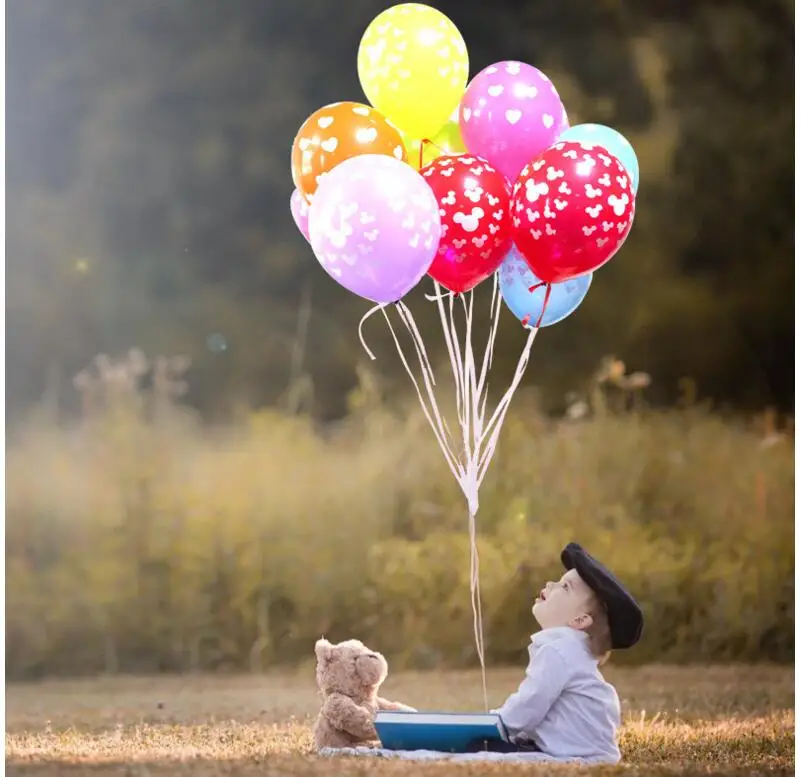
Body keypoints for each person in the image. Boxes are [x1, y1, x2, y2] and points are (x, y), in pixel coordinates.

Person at [466, 542, 643, 763]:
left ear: (580, 620)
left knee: (477, 750)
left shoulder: (558, 651)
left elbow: (527, 708)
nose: (550, 584)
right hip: (589, 755)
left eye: (565, 587)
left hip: (574, 756)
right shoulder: (573, 652)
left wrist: (491, 723)